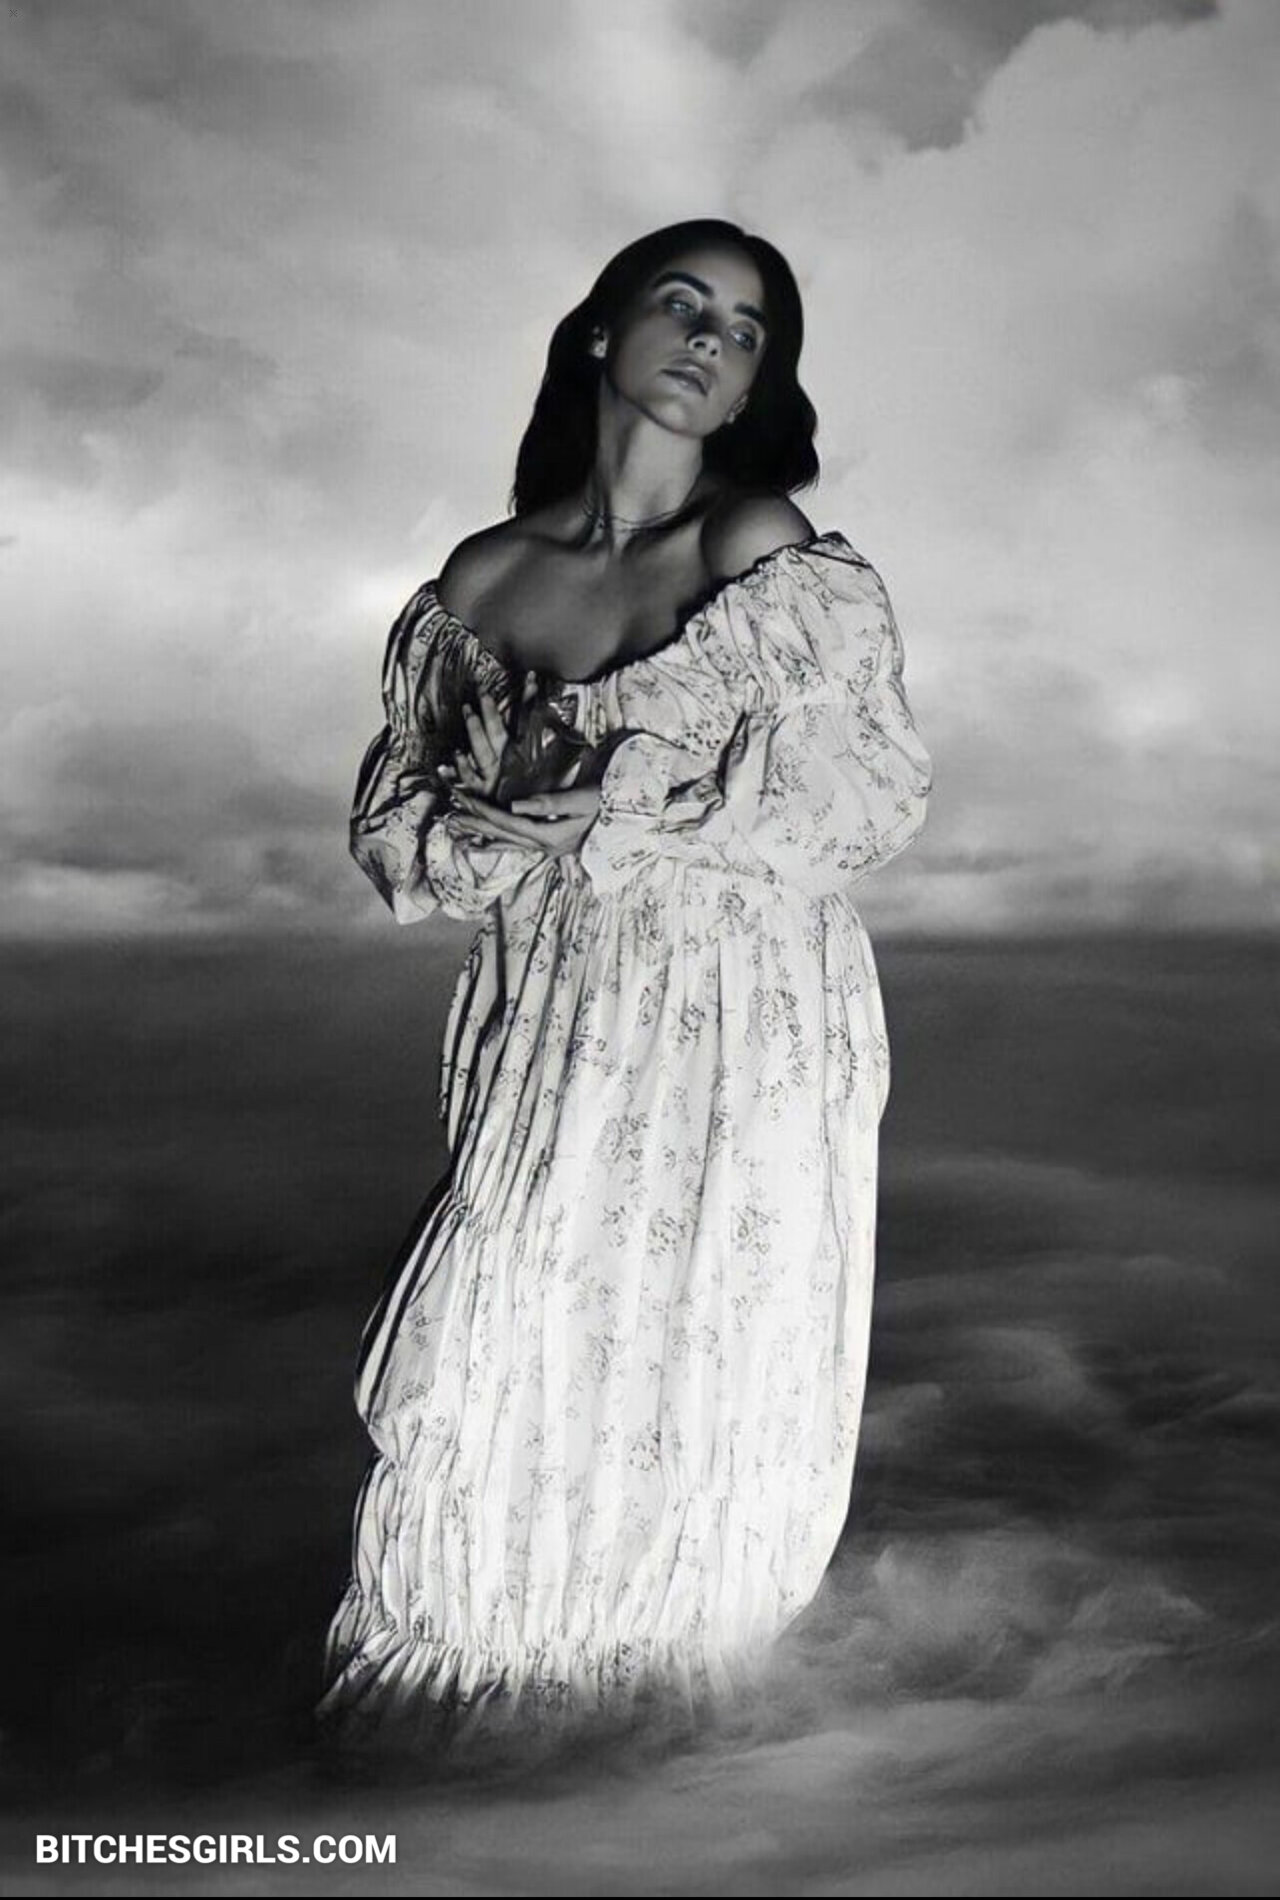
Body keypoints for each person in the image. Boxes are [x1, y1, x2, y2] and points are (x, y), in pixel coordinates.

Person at [316, 218, 932, 1769]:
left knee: (699, 1375)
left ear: (755, 386)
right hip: (551, 1019)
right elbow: (402, 842)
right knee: (494, 1353)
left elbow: (867, 797)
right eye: (682, 301)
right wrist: (490, 825)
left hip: (745, 1017)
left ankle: (661, 1760)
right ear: (603, 329)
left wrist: (629, 801)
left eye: (747, 328)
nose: (711, 338)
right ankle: (442, 1748)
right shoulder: (481, 581)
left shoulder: (759, 549)